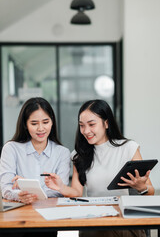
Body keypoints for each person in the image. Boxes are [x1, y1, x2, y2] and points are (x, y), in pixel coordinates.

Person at [44, 99, 154, 237]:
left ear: (106, 123)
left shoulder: (128, 148)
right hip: (94, 221)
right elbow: (77, 192)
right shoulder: (78, 155)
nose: (86, 131)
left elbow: (150, 191)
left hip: (123, 221)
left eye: (91, 124)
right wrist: (61, 187)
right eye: (82, 126)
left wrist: (141, 187)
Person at [0, 97, 71, 237]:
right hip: (15, 219)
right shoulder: (11, 149)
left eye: (45, 122)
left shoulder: (62, 153)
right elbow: (5, 188)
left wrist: (25, 187)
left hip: (47, 220)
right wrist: (20, 195)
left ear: (52, 122)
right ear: (25, 124)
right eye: (34, 123)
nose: (41, 128)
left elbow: (59, 191)